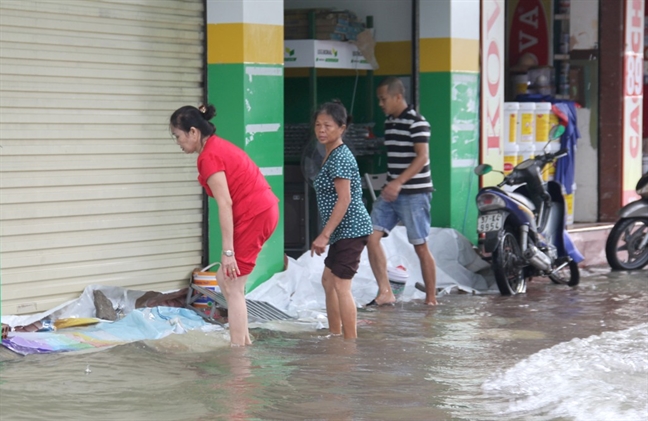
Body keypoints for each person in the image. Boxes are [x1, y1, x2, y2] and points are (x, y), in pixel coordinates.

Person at [169, 104, 279, 346]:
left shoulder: (209, 157)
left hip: (255, 214)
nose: (177, 142)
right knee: (225, 279)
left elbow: (225, 203)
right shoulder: (215, 147)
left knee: (231, 283)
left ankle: (238, 352)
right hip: (261, 211)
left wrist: (228, 252)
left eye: (178, 136)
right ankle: (244, 341)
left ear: (193, 133)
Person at [368, 77, 438, 306]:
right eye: (379, 99)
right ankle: (385, 291)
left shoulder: (417, 122)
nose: (381, 103)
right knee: (371, 237)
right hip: (391, 193)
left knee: (420, 245)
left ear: (398, 97)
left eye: (383, 99)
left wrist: (398, 182)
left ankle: (431, 298)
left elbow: (422, 157)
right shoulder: (389, 122)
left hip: (415, 193)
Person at [310, 101, 373, 339]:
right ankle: (335, 334)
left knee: (340, 285)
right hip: (341, 231)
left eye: (328, 125)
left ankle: (350, 342)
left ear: (342, 128)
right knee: (328, 280)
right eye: (318, 125)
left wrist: (325, 234)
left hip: (351, 229)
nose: (321, 130)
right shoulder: (331, 154)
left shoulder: (341, 157)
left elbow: (344, 200)